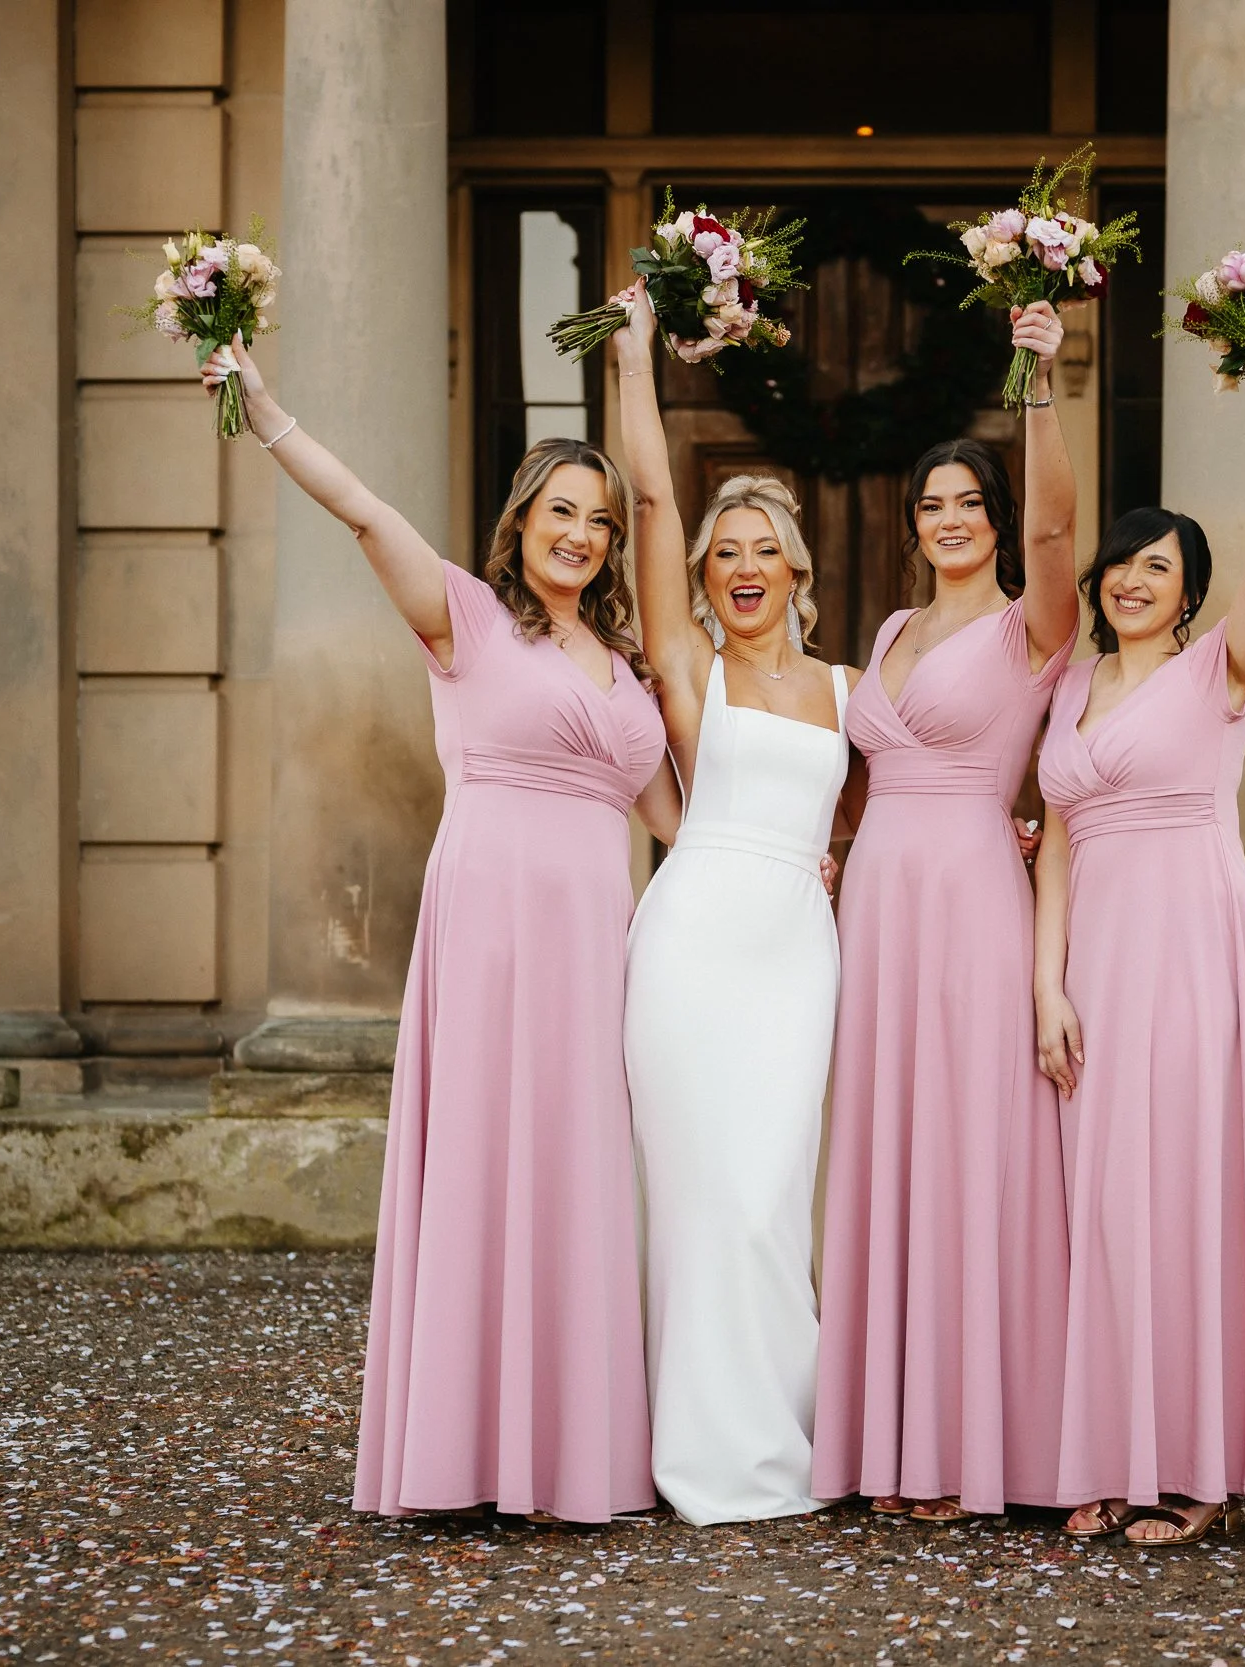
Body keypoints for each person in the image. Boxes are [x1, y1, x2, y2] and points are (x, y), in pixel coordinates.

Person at [203, 334, 678, 1524]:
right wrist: (266, 410)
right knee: (485, 1156)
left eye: (601, 521)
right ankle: (466, 1452)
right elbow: (362, 510)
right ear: (520, 521)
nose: (580, 533)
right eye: (560, 511)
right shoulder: (465, 617)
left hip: (595, 934)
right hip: (495, 918)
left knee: (579, 1165)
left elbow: (679, 816)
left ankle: (567, 1454)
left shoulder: (624, 669)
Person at [1032, 338, 1245, 1546]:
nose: (1129, 578)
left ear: (1187, 589)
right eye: (1120, 562)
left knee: (1180, 1198)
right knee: (1101, 1208)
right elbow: (1058, 838)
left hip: (1186, 947)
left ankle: (1195, 1463)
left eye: (1156, 567)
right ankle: (1110, 1449)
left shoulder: (1222, 669)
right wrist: (1044, 981)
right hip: (1094, 959)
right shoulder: (1070, 686)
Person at [811, 301, 1080, 1523]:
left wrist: (1041, 375)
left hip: (973, 889)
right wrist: (825, 849)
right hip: (878, 897)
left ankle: (975, 1442)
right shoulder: (891, 629)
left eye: (970, 501)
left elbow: (1061, 522)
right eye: (932, 504)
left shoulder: (1037, 627)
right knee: (884, 1141)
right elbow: (861, 770)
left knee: (970, 1145)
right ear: (913, 523)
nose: (951, 519)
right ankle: (890, 1437)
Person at [609, 282, 856, 1526]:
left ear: (798, 568)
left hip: (797, 956)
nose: (745, 566)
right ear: (703, 572)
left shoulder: (852, 688)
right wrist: (638, 358)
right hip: (695, 940)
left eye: (767, 548)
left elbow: (936, 793)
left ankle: (791, 1430)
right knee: (700, 1192)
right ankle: (703, 1453)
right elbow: (650, 495)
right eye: (727, 552)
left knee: (770, 1192)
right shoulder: (689, 666)